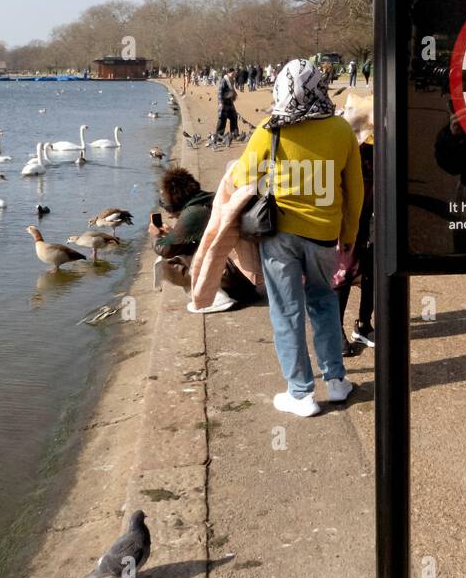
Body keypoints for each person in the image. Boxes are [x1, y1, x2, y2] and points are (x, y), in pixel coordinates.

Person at [234, 59, 364, 417]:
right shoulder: (340, 129)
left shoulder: (269, 129)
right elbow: (355, 189)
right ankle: (336, 381)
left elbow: (245, 174)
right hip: (324, 234)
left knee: (286, 311)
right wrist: (349, 235)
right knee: (324, 302)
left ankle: (301, 393)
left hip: (280, 235)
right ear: (319, 86)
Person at [149, 167, 258, 310]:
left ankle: (214, 297)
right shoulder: (211, 199)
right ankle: (216, 292)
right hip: (248, 276)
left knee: (165, 263)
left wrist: (155, 234)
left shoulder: (193, 213)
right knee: (188, 248)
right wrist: (174, 233)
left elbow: (164, 249)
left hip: (234, 278)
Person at [333, 92, 374, 355]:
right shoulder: (348, 142)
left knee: (374, 265)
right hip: (352, 214)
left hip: (375, 210)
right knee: (344, 270)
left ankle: (363, 324)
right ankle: (334, 331)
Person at [215, 70, 239, 142]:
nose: (234, 75)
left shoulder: (231, 80)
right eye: (232, 73)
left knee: (234, 116)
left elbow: (231, 89)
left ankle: (234, 134)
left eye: (234, 73)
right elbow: (220, 91)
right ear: (228, 73)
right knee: (222, 119)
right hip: (224, 102)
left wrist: (234, 94)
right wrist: (220, 102)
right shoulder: (224, 80)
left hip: (230, 102)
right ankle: (219, 136)